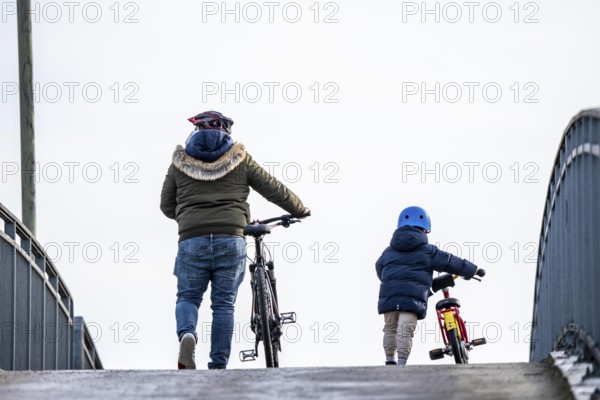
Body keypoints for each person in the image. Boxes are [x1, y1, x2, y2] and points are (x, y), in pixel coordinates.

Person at [160, 111, 310, 370]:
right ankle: (217, 365)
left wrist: (189, 219)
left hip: (191, 239)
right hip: (231, 237)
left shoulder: (179, 163)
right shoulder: (240, 160)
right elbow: (272, 187)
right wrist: (299, 208)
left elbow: (166, 205)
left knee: (187, 297)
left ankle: (187, 334)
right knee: (223, 304)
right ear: (227, 133)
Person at [375, 206, 479, 366]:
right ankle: (401, 365)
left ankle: (389, 361)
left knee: (390, 328)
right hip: (412, 300)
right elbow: (450, 261)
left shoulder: (388, 252)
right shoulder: (428, 251)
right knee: (405, 330)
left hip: (389, 297)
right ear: (425, 230)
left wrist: (390, 282)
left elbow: (379, 267)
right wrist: (473, 270)